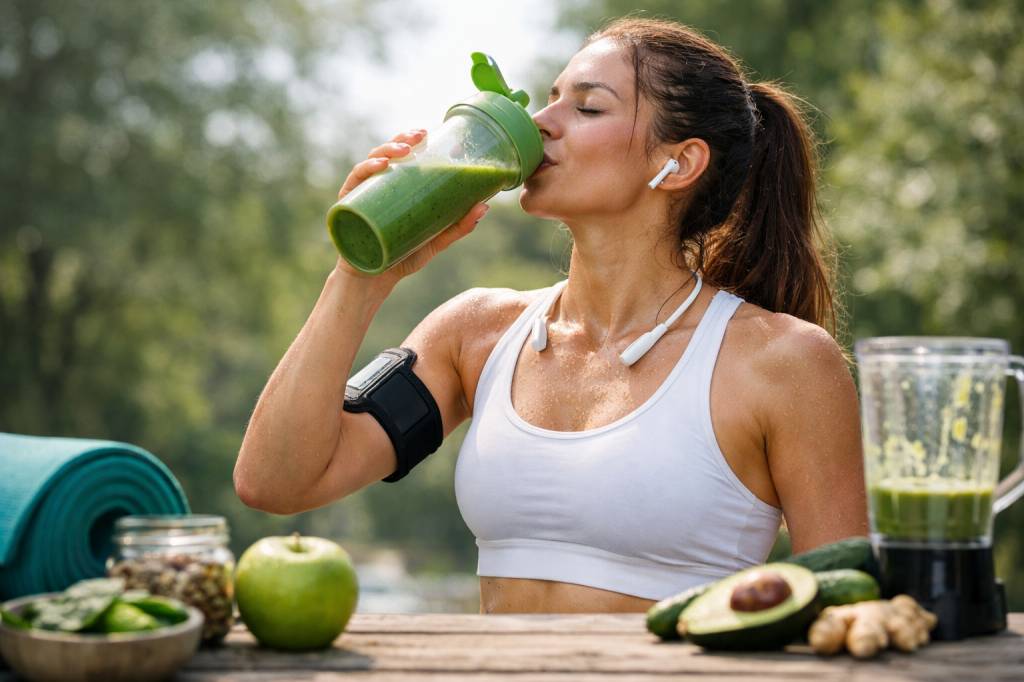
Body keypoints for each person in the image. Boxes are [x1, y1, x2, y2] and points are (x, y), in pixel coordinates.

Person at [234, 17, 868, 614]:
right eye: (550, 99)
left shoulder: (784, 363)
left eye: (587, 108)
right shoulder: (476, 334)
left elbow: (850, 612)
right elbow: (278, 483)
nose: (539, 123)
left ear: (678, 163)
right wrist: (358, 278)